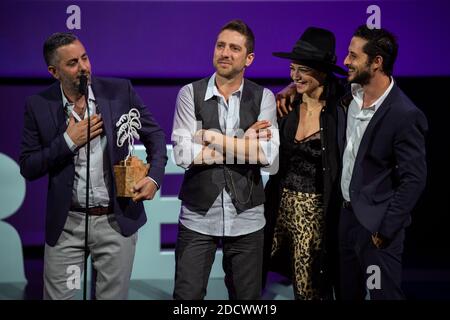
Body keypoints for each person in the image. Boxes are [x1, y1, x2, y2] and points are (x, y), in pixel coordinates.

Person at [19, 32, 167, 299]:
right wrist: (68, 141)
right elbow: (29, 166)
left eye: (84, 58)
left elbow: (155, 135)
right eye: (72, 63)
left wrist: (154, 178)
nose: (83, 67)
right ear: (54, 71)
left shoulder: (120, 92)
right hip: (67, 224)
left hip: (115, 220)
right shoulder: (38, 105)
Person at [171, 19, 279, 300]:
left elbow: (267, 157)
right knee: (186, 299)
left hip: (247, 220)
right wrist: (245, 146)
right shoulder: (189, 94)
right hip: (197, 218)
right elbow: (183, 155)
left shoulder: (264, 97)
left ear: (249, 58)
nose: (225, 53)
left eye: (234, 48)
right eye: (220, 46)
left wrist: (210, 137)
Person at [337, 25, 428, 300]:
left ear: (376, 62)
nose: (345, 61)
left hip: (376, 230)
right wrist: (291, 89)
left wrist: (385, 229)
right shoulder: (347, 96)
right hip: (344, 221)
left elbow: (414, 179)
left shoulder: (404, 114)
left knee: (382, 297)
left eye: (353, 56)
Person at [263, 27, 347, 300]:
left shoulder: (341, 108)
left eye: (303, 70)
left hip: (314, 216)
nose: (295, 76)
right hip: (277, 207)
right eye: (292, 69)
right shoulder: (285, 106)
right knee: (252, 275)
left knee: (308, 288)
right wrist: (289, 89)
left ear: (322, 71)